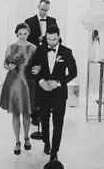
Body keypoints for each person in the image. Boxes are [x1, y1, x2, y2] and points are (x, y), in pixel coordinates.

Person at [27, 25, 78, 158]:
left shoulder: (67, 52)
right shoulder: (40, 50)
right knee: (44, 119)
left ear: (59, 37)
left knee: (58, 122)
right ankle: (46, 142)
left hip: (59, 93)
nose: (51, 42)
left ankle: (54, 150)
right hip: (43, 91)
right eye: (48, 39)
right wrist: (41, 82)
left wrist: (59, 83)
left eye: (54, 39)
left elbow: (74, 73)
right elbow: (33, 70)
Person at [0, 21, 35, 154]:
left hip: (27, 83)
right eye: (20, 34)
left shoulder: (33, 48)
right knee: (15, 113)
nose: (23, 36)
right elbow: (4, 64)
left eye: (25, 34)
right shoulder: (11, 47)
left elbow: (36, 65)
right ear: (16, 34)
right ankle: (17, 141)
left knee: (26, 113)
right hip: (13, 83)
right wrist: (10, 66)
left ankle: (26, 137)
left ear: (28, 33)